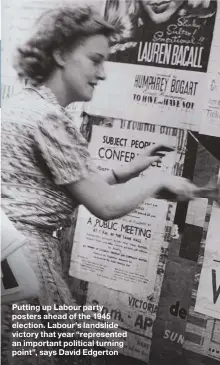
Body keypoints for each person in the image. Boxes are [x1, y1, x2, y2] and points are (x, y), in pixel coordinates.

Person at [0, 5, 199, 365]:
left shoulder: (21, 106)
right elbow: (105, 207)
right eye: (94, 60)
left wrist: (128, 171)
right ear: (59, 54)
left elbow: (55, 191)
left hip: (9, 258)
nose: (102, 73)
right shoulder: (50, 119)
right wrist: (157, 181)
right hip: (29, 260)